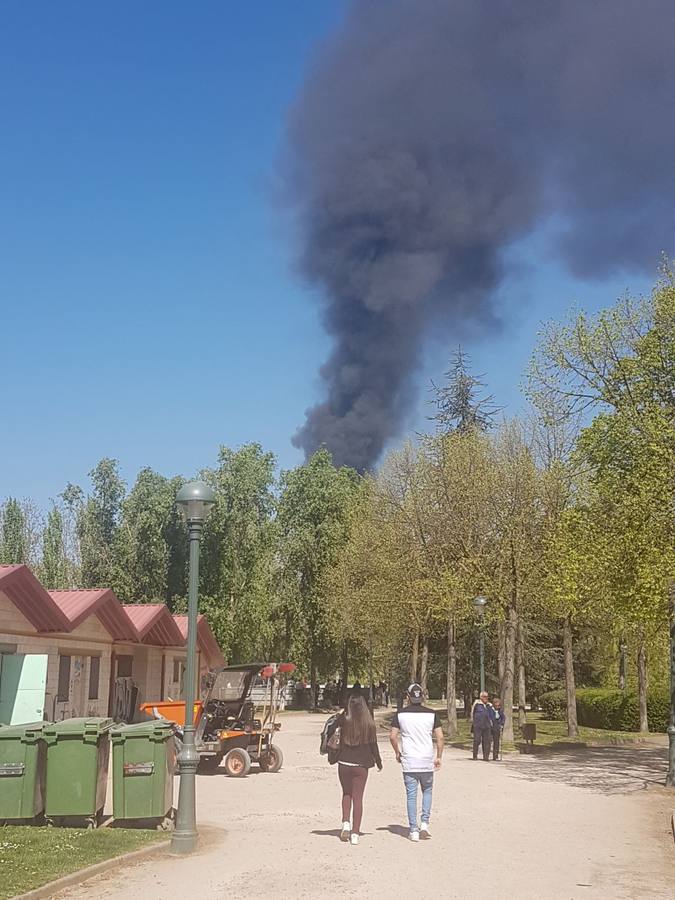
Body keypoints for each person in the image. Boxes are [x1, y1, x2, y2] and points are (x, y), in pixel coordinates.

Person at [389, 683, 444, 842]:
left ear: (408, 697)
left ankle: (413, 829)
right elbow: (440, 737)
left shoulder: (400, 715)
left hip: (410, 760)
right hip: (426, 759)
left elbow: (393, 736)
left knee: (411, 795)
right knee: (427, 791)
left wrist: (397, 752)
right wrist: (438, 756)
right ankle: (425, 823)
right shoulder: (432, 715)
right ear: (422, 697)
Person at [336, 694, 382, 845]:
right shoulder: (369, 724)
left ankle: (345, 824)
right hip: (361, 764)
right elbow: (374, 745)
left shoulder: (343, 720)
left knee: (346, 793)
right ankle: (355, 833)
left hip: (344, 762)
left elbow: (332, 729)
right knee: (358, 798)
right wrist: (378, 761)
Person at [471, 690, 492, 761]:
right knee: (477, 740)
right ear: (481, 697)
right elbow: (472, 714)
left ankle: (486, 757)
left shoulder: (489, 705)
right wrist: (473, 724)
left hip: (487, 726)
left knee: (487, 741)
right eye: (484, 697)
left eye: (487, 697)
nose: (486, 698)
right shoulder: (477, 704)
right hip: (478, 725)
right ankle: (475, 756)